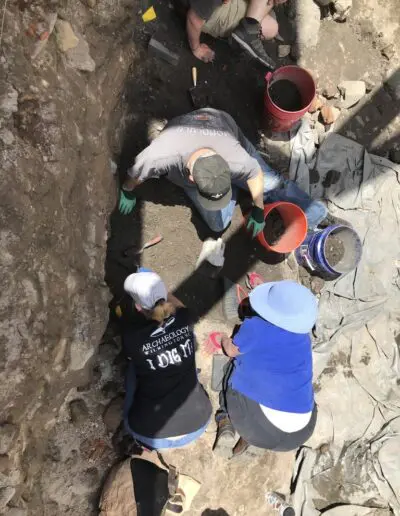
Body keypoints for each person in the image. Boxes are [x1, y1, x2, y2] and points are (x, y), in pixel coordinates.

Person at [118, 108, 327, 236]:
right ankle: (234, 190)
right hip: (184, 129)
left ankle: (317, 214)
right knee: (218, 224)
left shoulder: (236, 158)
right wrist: (127, 190)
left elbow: (255, 173)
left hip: (221, 125)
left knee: (272, 184)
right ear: (191, 178)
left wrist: (258, 208)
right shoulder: (162, 155)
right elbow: (136, 171)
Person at [213, 280, 318, 458]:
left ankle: (225, 420)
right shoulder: (304, 337)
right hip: (302, 431)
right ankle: (253, 440)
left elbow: (231, 350)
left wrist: (224, 338)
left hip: (260, 426)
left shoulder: (256, 326)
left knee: (231, 368)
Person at [122, 270, 212, 449]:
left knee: (133, 369)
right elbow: (179, 307)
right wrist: (160, 291)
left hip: (150, 434)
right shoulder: (185, 318)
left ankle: (140, 441)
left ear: (138, 307)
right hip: (198, 424)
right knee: (184, 363)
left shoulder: (133, 337)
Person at [176, 0, 287, 67]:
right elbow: (194, 19)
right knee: (271, 28)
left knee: (265, 6)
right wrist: (196, 49)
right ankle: (246, 32)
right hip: (210, 13)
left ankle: (249, 28)